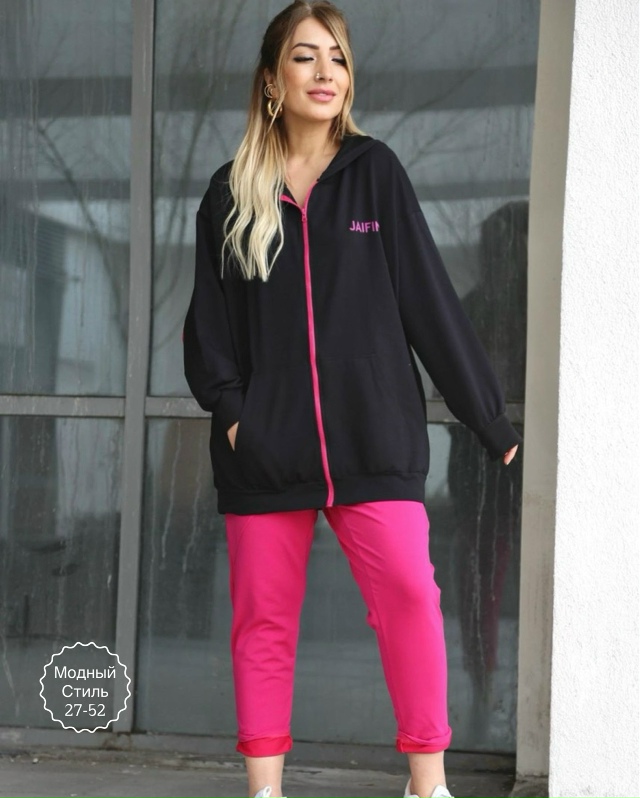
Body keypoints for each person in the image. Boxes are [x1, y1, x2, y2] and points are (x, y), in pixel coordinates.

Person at [183, 2, 522, 797]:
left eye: (336, 57)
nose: (325, 72)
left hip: (375, 439)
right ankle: (265, 789)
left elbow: (429, 301)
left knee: (410, 597)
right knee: (263, 621)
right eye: (305, 56)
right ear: (273, 80)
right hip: (266, 451)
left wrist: (487, 416)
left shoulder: (376, 172)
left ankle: (427, 784)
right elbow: (209, 327)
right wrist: (235, 418)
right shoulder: (230, 193)